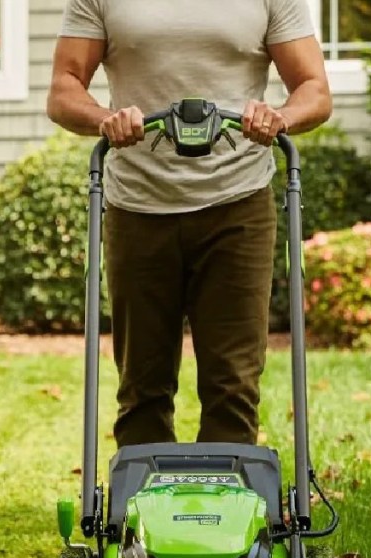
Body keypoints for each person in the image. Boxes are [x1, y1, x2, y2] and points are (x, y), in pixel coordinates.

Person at [47, 0, 331, 448]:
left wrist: (280, 119)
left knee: (233, 384)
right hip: (138, 207)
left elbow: (314, 88)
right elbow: (63, 89)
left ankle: (226, 508)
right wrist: (106, 120)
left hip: (238, 205)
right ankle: (142, 509)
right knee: (142, 385)